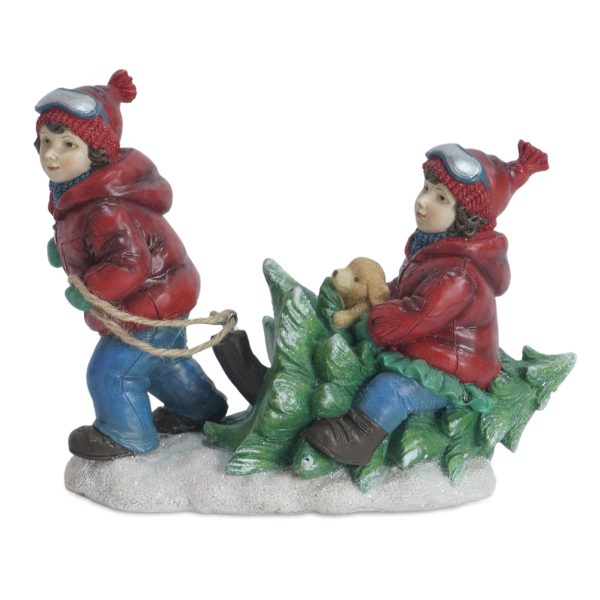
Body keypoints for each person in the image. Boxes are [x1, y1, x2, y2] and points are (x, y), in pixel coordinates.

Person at [306, 141, 549, 466]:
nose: (422, 201)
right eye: (425, 188)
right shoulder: (433, 248)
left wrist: (378, 317)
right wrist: (380, 295)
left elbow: (418, 315)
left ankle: (357, 438)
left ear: (466, 216)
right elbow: (407, 290)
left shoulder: (459, 276)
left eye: (440, 198)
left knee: (391, 389)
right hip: (426, 347)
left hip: (453, 367)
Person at [35, 70, 227, 460]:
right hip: (168, 290)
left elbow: (129, 263)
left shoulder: (104, 207)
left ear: (96, 152)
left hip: (152, 298)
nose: (51, 155)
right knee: (160, 364)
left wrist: (89, 288)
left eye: (68, 144)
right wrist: (64, 249)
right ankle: (199, 408)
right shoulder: (79, 193)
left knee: (113, 371)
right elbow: (91, 238)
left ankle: (126, 435)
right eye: (46, 142)